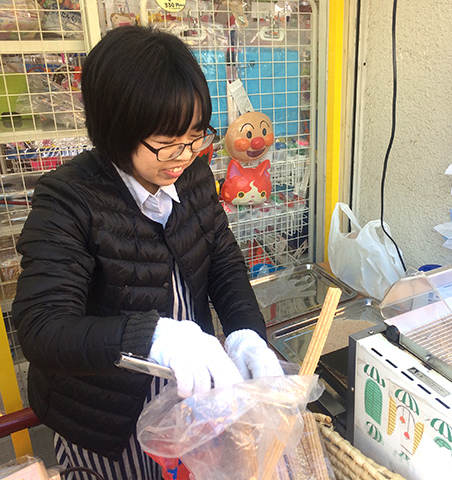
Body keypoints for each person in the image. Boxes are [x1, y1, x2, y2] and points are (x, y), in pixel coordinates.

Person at [12, 25, 282, 479]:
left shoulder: (191, 171)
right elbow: (42, 328)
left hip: (188, 406)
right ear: (117, 128)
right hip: (106, 422)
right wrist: (152, 337)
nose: (183, 155)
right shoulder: (67, 199)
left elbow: (222, 259)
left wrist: (244, 332)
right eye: (166, 141)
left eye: (195, 136)